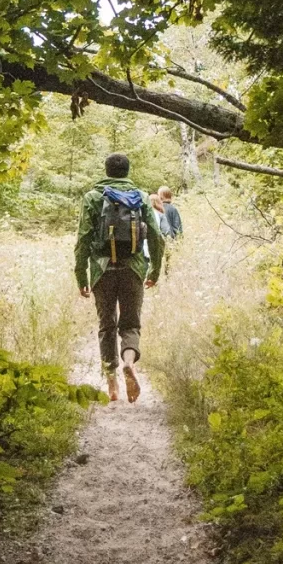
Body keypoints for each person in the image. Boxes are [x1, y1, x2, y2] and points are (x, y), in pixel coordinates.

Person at [75, 154, 165, 403]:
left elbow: (83, 239)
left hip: (102, 270)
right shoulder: (141, 197)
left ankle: (111, 382)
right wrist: (155, 270)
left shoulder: (93, 197)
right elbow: (156, 236)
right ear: (127, 171)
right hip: (133, 268)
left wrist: (81, 274)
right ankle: (128, 361)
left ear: (106, 170)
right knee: (130, 324)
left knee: (107, 325)